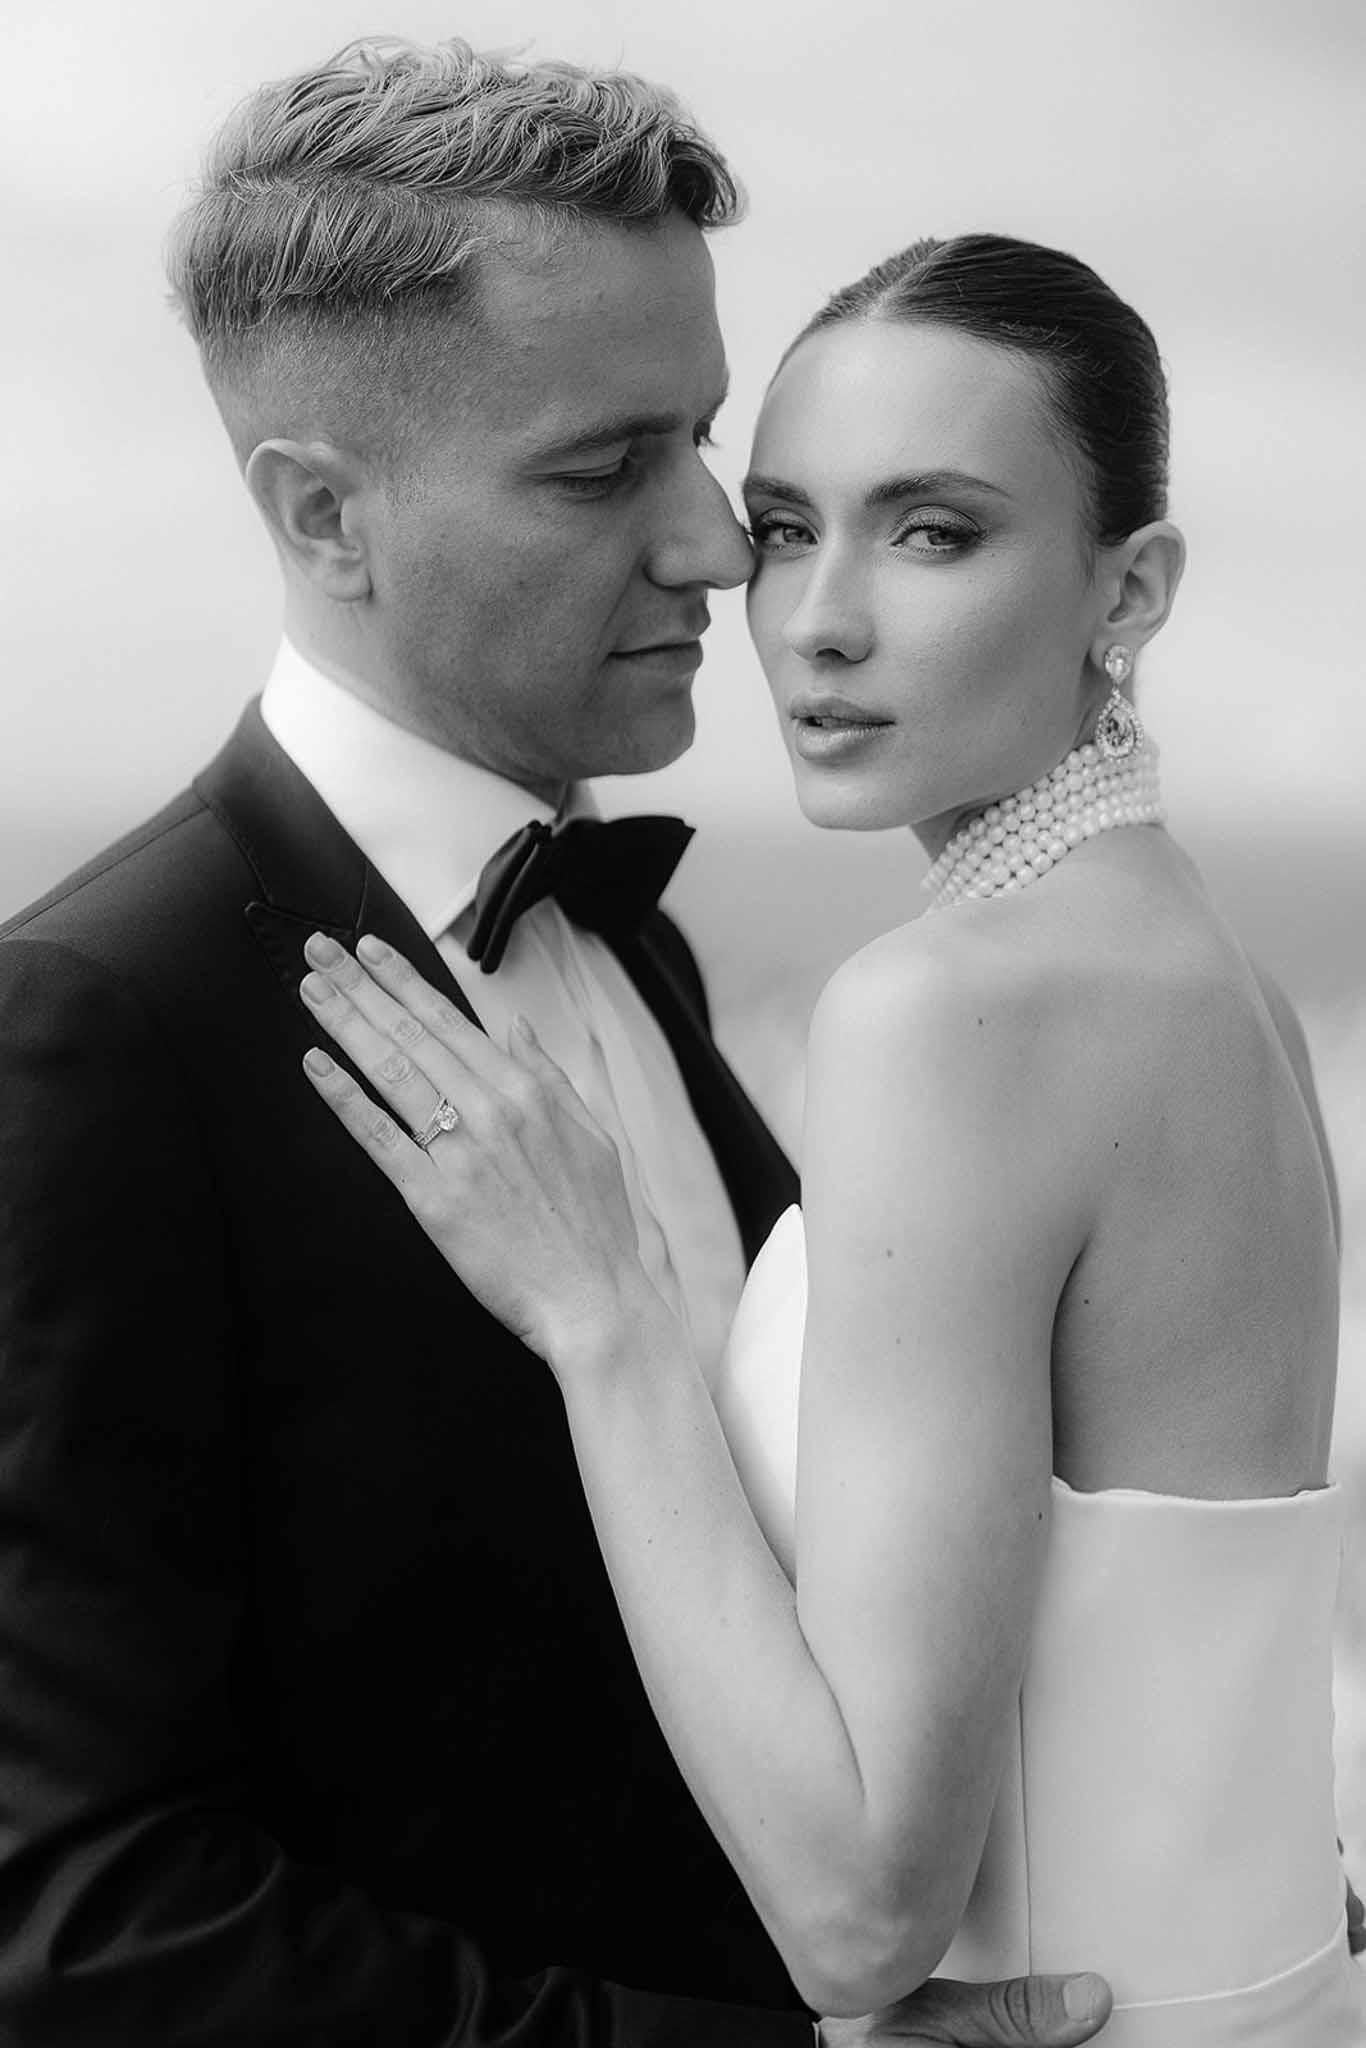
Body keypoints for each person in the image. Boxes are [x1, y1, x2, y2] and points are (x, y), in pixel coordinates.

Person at [0, 42, 1111, 2048]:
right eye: (605, 471)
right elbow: (84, 1921)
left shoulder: (637, 952)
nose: (715, 548)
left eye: (699, 439)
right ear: (322, 511)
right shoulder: (95, 1033)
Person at [299, 233, 1366, 2043]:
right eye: (786, 526)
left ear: (1130, 588)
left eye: (932, 530)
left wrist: (608, 1318)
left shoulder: (946, 1011)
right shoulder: (1222, 989)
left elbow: (864, 1913)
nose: (815, 618)